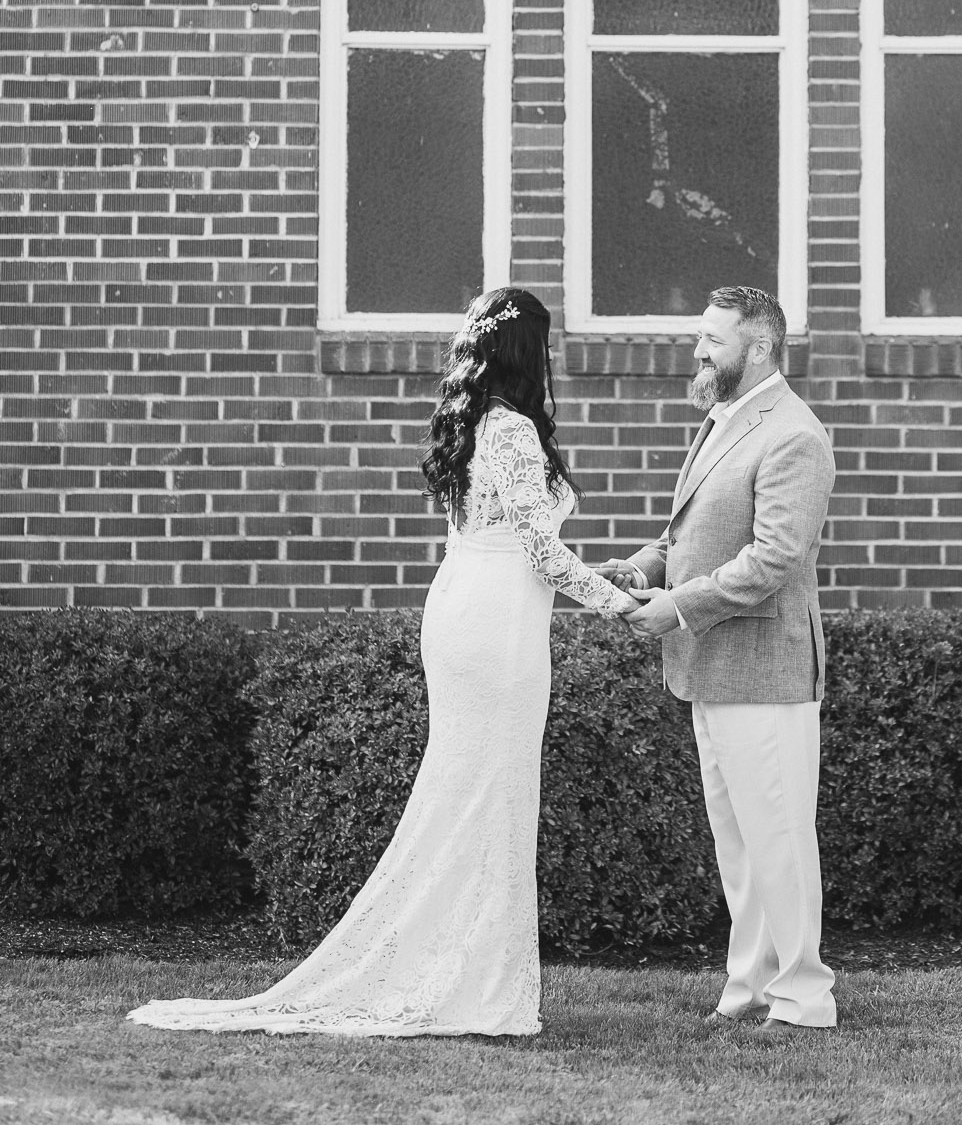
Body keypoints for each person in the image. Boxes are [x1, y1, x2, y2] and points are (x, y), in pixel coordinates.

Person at [128, 287, 634, 1039]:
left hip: (466, 605)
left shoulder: (472, 420)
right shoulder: (512, 429)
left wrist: (602, 574)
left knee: (469, 794)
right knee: (490, 798)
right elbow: (539, 551)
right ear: (530, 349)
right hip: (496, 627)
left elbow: (515, 537)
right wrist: (616, 604)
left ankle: (466, 973)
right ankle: (475, 987)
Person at [600, 284, 838, 1035]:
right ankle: (750, 990)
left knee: (780, 844)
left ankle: (804, 999)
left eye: (713, 339)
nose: (697, 351)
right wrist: (641, 569)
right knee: (741, 848)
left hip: (764, 670)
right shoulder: (725, 418)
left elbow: (773, 559)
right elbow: (687, 536)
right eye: (700, 337)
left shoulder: (794, 434)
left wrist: (675, 607)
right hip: (712, 665)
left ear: (759, 347)